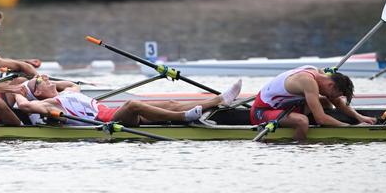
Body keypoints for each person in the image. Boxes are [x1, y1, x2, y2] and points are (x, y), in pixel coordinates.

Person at [14, 75, 243, 126]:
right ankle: (184, 118)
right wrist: (19, 89)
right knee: (133, 104)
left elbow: (65, 84)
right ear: (39, 94)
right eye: (39, 82)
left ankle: (219, 100)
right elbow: (24, 105)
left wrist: (42, 80)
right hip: (105, 122)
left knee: (171, 102)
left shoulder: (69, 90)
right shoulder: (48, 104)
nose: (43, 79)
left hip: (111, 113)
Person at [249, 65, 376, 141]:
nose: (336, 98)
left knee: (326, 102)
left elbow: (337, 102)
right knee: (302, 121)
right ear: (331, 85)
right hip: (261, 112)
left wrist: (359, 117)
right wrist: (349, 128)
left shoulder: (318, 73)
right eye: (337, 94)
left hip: (283, 107)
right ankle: (298, 144)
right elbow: (320, 119)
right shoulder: (308, 82)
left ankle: (313, 130)